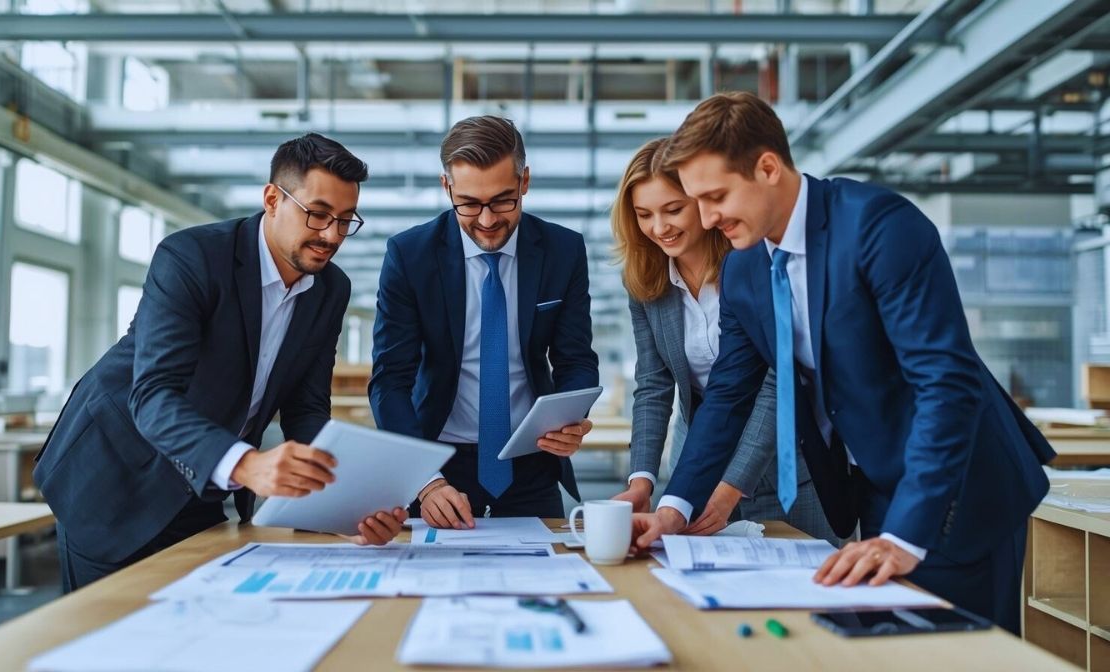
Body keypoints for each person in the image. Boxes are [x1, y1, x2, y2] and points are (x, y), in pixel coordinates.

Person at [631, 92, 1054, 632]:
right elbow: (728, 398)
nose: (707, 219)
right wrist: (675, 508)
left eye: (716, 196)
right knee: (891, 651)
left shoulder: (880, 228)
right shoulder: (744, 269)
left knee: (961, 654)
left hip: (956, 485)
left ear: (767, 167)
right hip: (877, 483)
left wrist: (904, 535)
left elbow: (946, 386)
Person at [34, 133, 407, 592]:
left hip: (202, 484)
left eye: (346, 220)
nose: (331, 235)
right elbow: (152, 396)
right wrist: (248, 464)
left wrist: (345, 504)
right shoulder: (192, 258)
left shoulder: (331, 290)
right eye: (318, 214)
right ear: (273, 198)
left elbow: (306, 408)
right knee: (104, 645)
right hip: (115, 479)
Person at [370, 115, 599, 528]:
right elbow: (390, 380)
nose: (488, 220)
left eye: (503, 200)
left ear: (524, 181)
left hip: (531, 459)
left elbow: (576, 358)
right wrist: (424, 480)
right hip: (437, 465)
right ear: (447, 188)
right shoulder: (410, 256)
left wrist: (570, 417)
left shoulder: (563, 250)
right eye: (470, 204)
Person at [608, 138, 839, 545]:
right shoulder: (644, 278)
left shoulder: (754, 264)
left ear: (700, 201)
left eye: (673, 209)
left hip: (787, 462)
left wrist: (734, 482)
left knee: (806, 588)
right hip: (697, 462)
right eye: (644, 215)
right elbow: (654, 383)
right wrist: (642, 479)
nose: (659, 228)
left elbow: (775, 380)